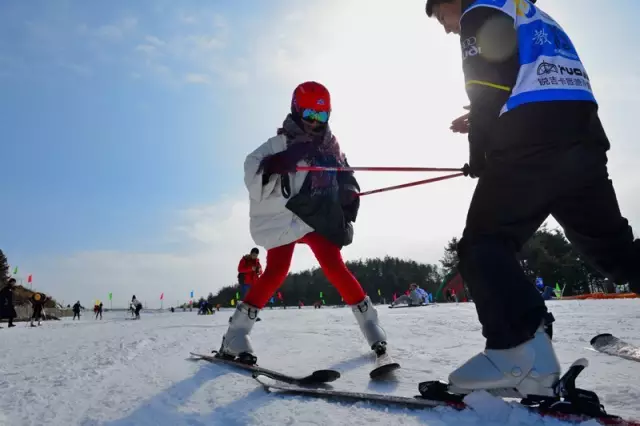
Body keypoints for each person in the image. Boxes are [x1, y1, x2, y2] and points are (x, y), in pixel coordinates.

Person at [425, 0, 640, 399]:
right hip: (581, 141)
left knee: (483, 244)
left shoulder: (478, 7)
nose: (447, 28)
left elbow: (486, 83)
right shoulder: (525, 9)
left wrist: (480, 155)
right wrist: (486, 118)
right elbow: (529, 77)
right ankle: (521, 349)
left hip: (532, 145)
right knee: (617, 252)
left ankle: (517, 354)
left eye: (442, 17)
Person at [216, 81, 389, 365]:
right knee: (276, 271)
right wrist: (277, 163)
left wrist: (348, 191)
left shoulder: (331, 147)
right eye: (309, 115)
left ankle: (371, 325)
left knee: (334, 266)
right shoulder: (279, 143)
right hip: (285, 216)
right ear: (296, 111)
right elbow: (251, 167)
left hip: (314, 217)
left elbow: (345, 172)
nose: (314, 122)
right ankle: (235, 335)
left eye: (321, 117)